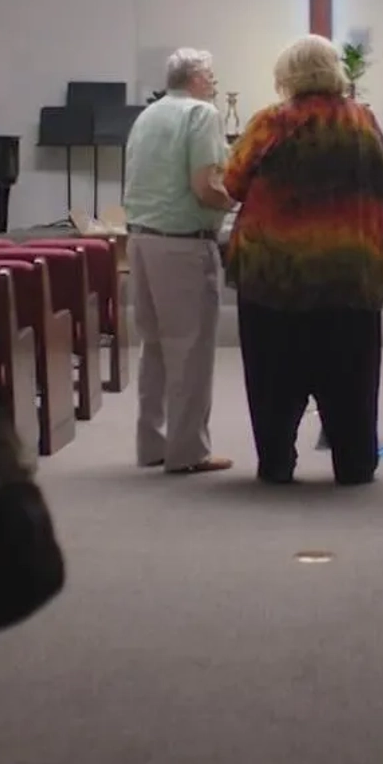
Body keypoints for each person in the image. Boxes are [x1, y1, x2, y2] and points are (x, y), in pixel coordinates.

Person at [223, 35, 383, 485]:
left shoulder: (271, 123)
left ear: (287, 77)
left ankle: (277, 463)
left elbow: (233, 182)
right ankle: (355, 463)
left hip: (276, 277)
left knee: (272, 379)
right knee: (352, 378)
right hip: (349, 274)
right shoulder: (364, 123)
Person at [123, 47, 235, 475]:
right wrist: (241, 201)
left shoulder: (147, 115)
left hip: (141, 240)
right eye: (211, 74)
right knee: (189, 348)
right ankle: (188, 450)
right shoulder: (201, 114)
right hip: (183, 244)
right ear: (197, 77)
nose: (215, 82)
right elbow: (205, 186)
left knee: (154, 347)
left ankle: (152, 442)